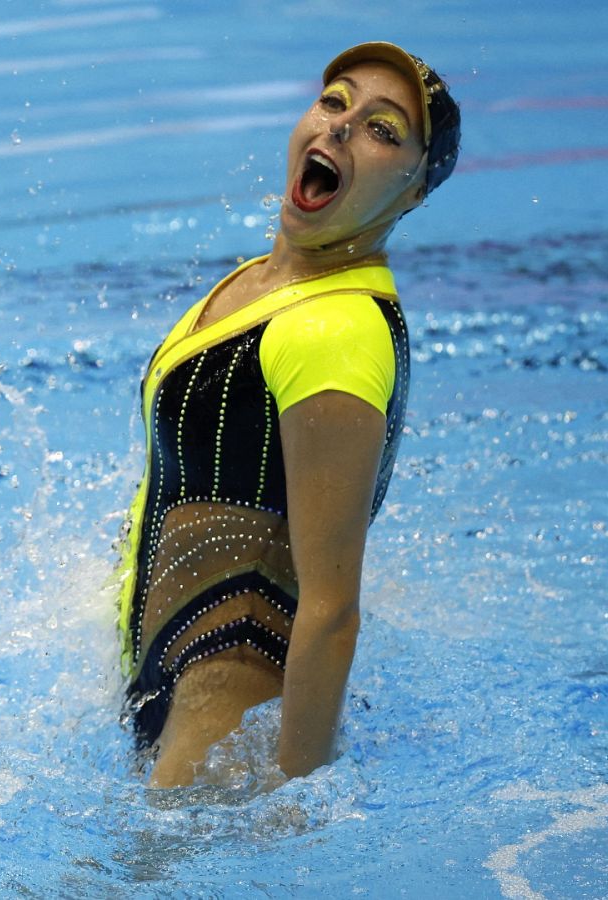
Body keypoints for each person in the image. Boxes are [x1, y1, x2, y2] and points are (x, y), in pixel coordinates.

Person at [116, 43, 459, 787]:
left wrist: (291, 797)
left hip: (222, 725)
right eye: (336, 101)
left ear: (413, 192)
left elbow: (333, 611)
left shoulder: (334, 335)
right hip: (176, 686)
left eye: (383, 130)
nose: (339, 128)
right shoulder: (268, 287)